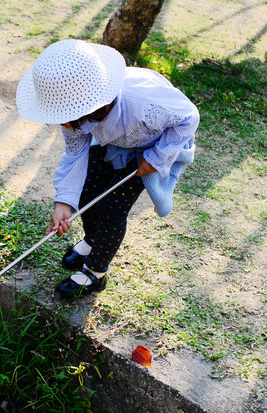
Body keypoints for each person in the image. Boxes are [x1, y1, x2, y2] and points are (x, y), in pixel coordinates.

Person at [15, 39, 199, 299]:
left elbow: (189, 118)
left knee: (113, 207)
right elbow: (76, 153)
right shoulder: (77, 122)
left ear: (86, 107)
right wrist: (63, 202)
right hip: (114, 139)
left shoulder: (145, 103)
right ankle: (91, 241)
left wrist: (157, 158)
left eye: (60, 116)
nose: (58, 123)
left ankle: (96, 272)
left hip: (151, 147)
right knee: (87, 193)